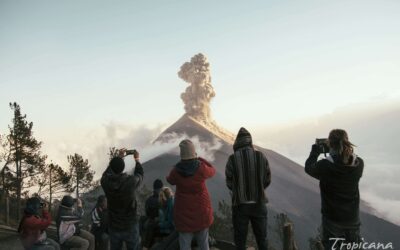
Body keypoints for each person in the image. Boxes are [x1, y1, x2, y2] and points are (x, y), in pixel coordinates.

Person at [305, 129, 364, 250]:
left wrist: (315, 152)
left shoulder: (325, 166)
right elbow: (343, 163)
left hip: (332, 220)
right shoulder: (359, 164)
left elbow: (309, 168)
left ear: (330, 144)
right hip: (352, 219)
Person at [225, 127, 271, 250]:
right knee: (262, 239)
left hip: (240, 205)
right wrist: (258, 188)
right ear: (249, 141)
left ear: (237, 143)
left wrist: (239, 190)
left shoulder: (232, 159)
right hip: (259, 203)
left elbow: (229, 182)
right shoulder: (261, 156)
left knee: (240, 240)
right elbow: (267, 179)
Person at [167, 139, 215, 250]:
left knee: (184, 245)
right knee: (204, 244)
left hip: (183, 215)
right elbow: (212, 170)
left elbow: (170, 180)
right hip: (201, 212)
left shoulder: (176, 171)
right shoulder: (201, 168)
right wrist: (200, 158)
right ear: (193, 152)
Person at [101, 148, 144, 250]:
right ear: (123, 168)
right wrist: (137, 159)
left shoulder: (105, 182)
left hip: (114, 226)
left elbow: (105, 174)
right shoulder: (130, 182)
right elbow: (140, 175)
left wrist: (119, 158)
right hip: (130, 224)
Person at [142, 179, 164, 249]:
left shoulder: (149, 200)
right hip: (161, 223)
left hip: (151, 221)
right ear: (161, 189)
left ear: (154, 188)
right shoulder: (164, 200)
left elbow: (147, 212)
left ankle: (145, 245)